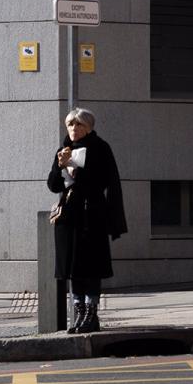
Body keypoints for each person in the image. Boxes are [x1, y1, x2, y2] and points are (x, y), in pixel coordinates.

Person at [46, 107, 127, 333]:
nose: (74, 128)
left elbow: (106, 181)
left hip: (92, 215)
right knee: (73, 267)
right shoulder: (63, 151)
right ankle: (79, 313)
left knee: (91, 267)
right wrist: (61, 166)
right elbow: (53, 186)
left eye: (79, 124)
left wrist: (77, 169)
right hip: (69, 217)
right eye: (70, 124)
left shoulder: (100, 148)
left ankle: (91, 313)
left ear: (88, 127)